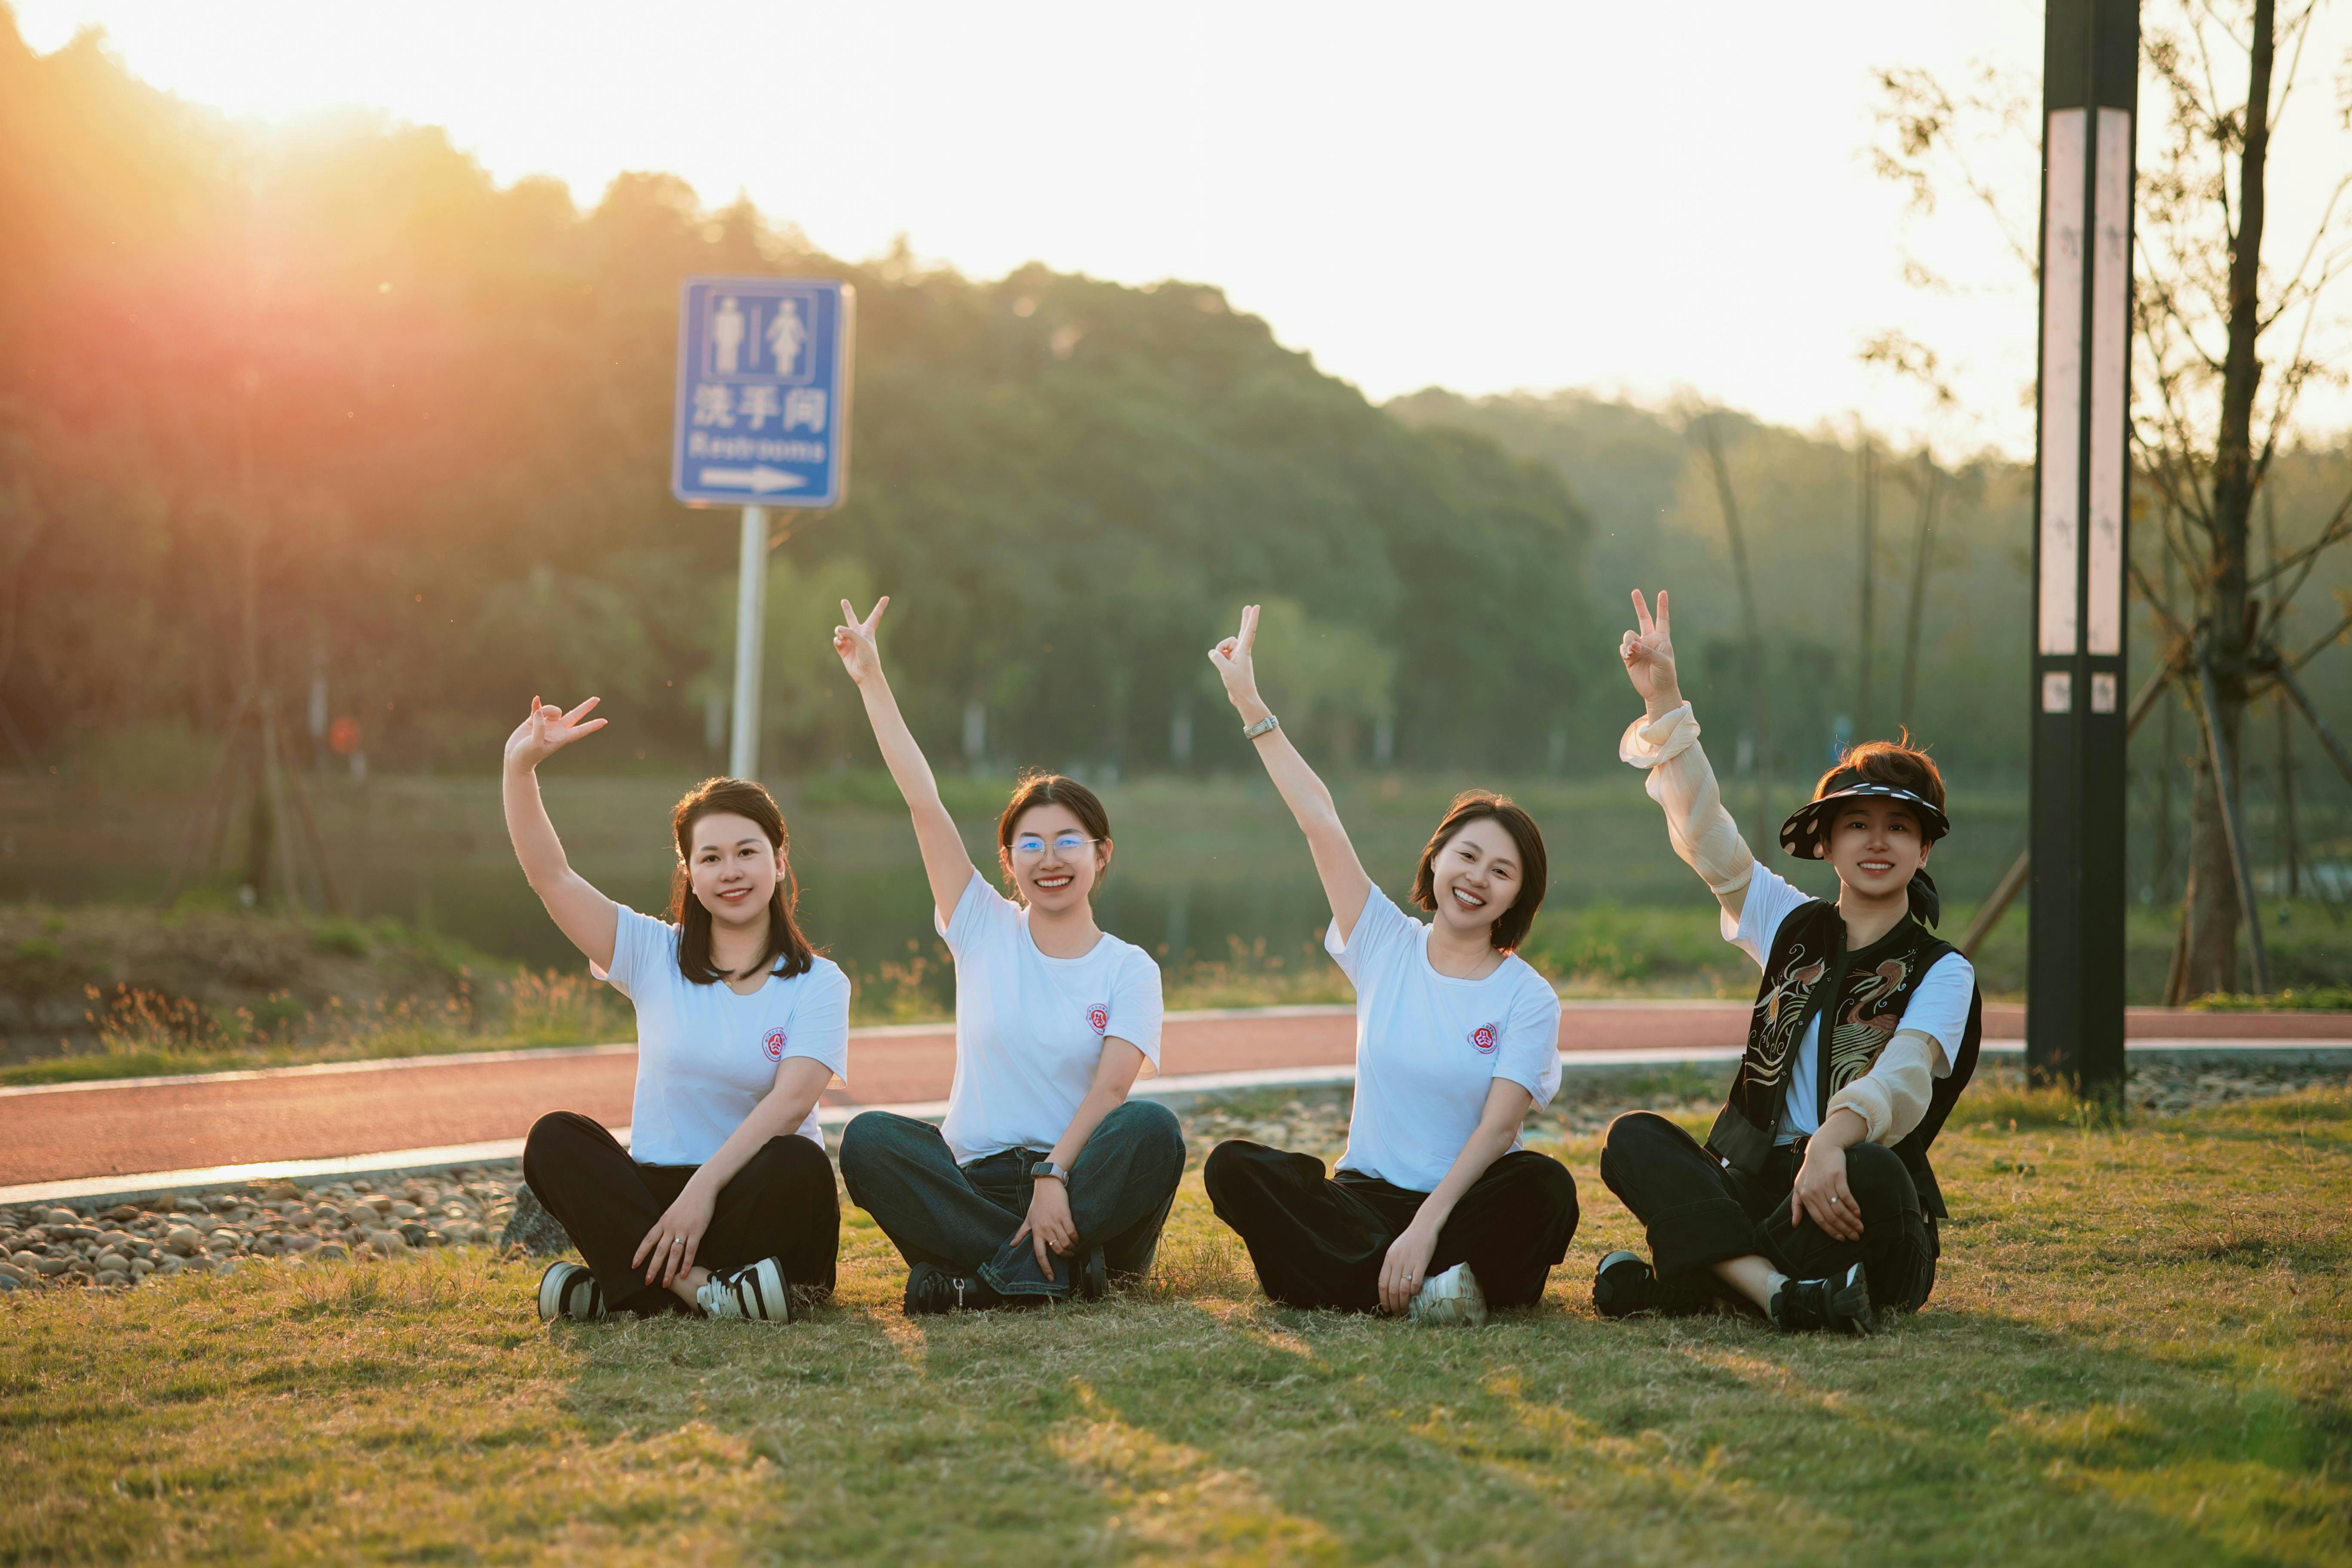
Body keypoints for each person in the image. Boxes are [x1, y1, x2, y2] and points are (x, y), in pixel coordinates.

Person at [1594, 590, 1981, 1335]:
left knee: (1873, 1168)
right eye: (1858, 825)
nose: (1877, 842)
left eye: (1899, 828)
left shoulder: (1945, 970)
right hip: (1759, 1187)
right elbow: (1707, 834)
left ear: (1924, 849)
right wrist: (1666, 698)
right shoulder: (1789, 922)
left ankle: (1696, 1280)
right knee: (1633, 1138)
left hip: (1863, 1201)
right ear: (1828, 843)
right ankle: (1776, 1292)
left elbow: (1903, 1080)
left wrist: (1833, 1143)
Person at [1198, 604, 1578, 1326]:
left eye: (1501, 871)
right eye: (1466, 855)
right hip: (1365, 1199)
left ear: (1519, 894)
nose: (1476, 878)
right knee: (1233, 1168)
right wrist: (1251, 702)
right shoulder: (1384, 942)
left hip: (1462, 1205)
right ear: (1436, 857)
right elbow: (1320, 818)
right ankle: (1425, 1289)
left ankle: (1360, 1281)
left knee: (1545, 1187)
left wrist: (1428, 1226)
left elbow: (1499, 1134)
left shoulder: (1529, 998)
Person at [828, 598, 1184, 1314]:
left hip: (1084, 1182)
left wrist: (1055, 1173)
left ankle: (984, 1276)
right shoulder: (981, 925)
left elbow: (1112, 1092)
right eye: (1030, 844)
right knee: (869, 1140)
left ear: (1101, 854)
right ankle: (1047, 1271)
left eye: (1067, 843)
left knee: (1153, 1129)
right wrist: (873, 681)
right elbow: (923, 802)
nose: (1049, 860)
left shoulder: (1129, 968)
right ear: (1007, 861)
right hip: (975, 1183)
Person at [503, 696, 849, 1325]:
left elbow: (790, 1105)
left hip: (754, 1203)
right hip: (661, 1197)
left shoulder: (819, 983)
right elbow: (550, 876)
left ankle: (621, 1285)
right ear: (690, 874)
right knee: (554, 1137)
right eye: (711, 859)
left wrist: (704, 1191)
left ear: (779, 861)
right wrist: (519, 768)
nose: (731, 872)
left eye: (747, 852)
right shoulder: (651, 952)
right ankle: (701, 1291)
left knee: (799, 1161)